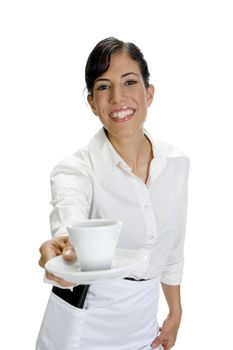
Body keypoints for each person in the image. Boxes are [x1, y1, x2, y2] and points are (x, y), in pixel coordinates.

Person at [36, 37, 190, 350]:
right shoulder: (75, 170)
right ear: (92, 102)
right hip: (82, 325)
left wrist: (175, 311)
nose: (118, 97)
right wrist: (63, 261)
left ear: (149, 93)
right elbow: (68, 226)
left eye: (129, 82)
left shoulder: (176, 163)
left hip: (144, 324)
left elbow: (172, 247)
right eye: (104, 87)